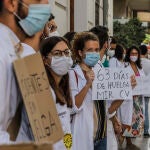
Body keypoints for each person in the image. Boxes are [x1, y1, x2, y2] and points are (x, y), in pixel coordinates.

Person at [0, 0, 51, 143]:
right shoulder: (2, 53)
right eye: (39, 1)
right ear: (11, 3)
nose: (46, 6)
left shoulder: (12, 48)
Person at [40, 36, 74, 150]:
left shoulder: (63, 88)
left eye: (66, 52)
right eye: (57, 54)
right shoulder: (44, 91)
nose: (64, 57)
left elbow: (66, 132)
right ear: (45, 60)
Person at [69, 32, 100, 150]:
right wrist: (87, 85)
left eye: (96, 50)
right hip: (79, 133)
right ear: (80, 52)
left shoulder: (100, 73)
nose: (94, 53)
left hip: (97, 133)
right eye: (90, 50)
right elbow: (74, 105)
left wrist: (127, 89)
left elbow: (108, 106)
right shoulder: (72, 74)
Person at [89, 25, 108, 150]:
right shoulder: (81, 70)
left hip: (101, 131)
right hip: (92, 133)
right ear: (106, 44)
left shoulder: (101, 67)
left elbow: (108, 104)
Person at [124, 46, 145, 150]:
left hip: (138, 98)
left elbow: (143, 80)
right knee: (128, 119)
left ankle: (131, 140)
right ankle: (127, 142)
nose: (134, 56)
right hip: (129, 98)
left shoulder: (139, 67)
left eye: (136, 54)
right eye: (132, 54)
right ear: (128, 55)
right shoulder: (125, 66)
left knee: (136, 120)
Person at [139, 44, 150, 137]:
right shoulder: (149, 63)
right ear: (146, 52)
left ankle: (137, 129)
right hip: (147, 90)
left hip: (137, 90)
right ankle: (146, 131)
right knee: (146, 110)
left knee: (137, 110)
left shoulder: (137, 63)